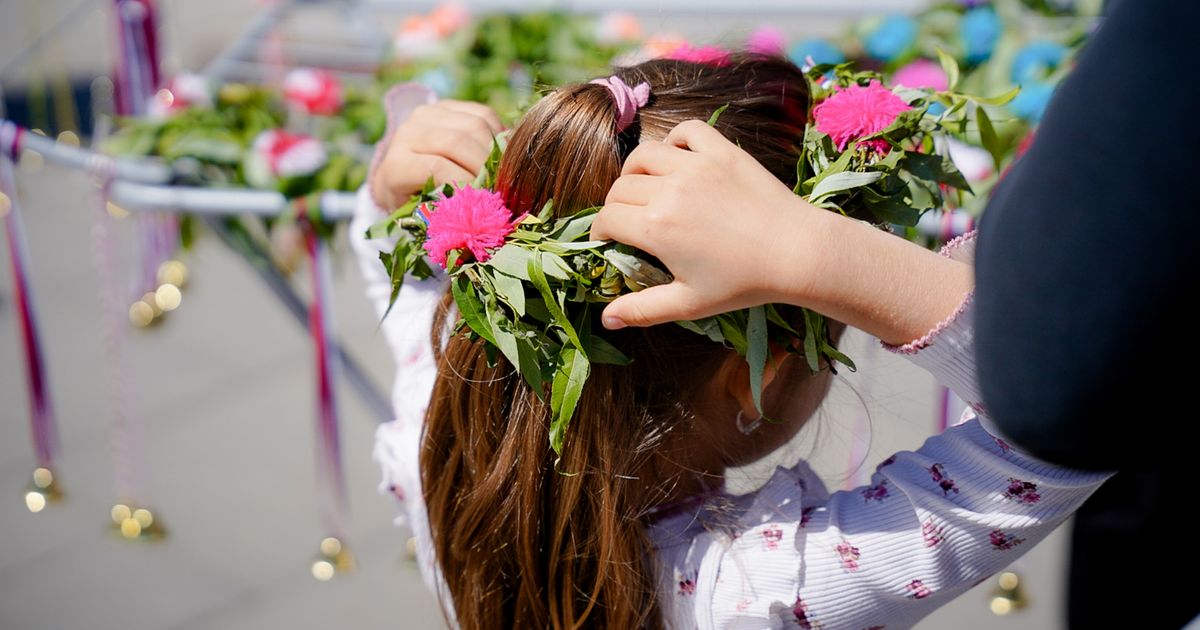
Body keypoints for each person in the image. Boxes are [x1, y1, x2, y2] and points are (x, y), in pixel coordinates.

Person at [354, 55, 1109, 629]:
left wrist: (389, 187)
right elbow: (1068, 419)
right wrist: (824, 256)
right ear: (756, 377)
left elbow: (405, 281)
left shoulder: (445, 425)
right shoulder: (755, 593)